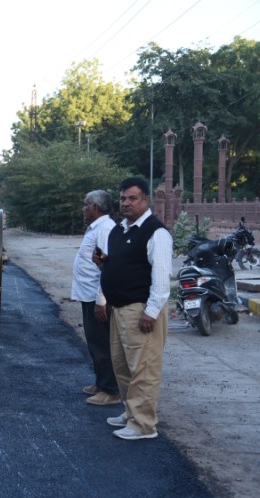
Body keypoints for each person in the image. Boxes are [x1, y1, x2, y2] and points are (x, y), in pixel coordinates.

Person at [97, 177, 173, 440]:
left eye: (133, 198)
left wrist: (151, 312)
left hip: (140, 310)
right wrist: (103, 297)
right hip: (119, 309)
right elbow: (113, 267)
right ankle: (131, 412)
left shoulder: (156, 232)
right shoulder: (120, 230)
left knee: (144, 369)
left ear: (146, 201)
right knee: (123, 366)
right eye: (123, 199)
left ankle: (143, 425)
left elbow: (162, 278)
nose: (126, 203)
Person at [71, 190, 120, 406]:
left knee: (102, 343)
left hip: (97, 297)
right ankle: (101, 383)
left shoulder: (105, 229)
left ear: (95, 207)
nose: (83, 209)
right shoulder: (97, 228)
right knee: (94, 341)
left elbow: (108, 267)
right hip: (89, 294)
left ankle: (110, 390)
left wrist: (102, 300)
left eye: (85, 205)